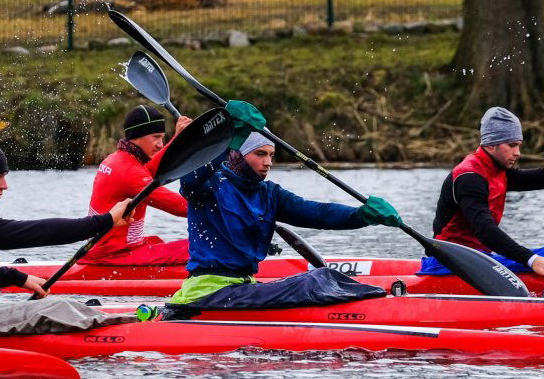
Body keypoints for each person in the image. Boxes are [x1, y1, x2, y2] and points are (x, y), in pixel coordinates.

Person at [163, 101, 403, 318]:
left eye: (271, 155)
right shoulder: (210, 186)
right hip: (207, 292)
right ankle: (380, 304)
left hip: (242, 288)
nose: (268, 162)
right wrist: (230, 137)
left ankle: (378, 299)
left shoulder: (270, 194)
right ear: (236, 152)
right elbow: (191, 178)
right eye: (260, 154)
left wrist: (362, 216)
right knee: (316, 279)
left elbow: (319, 213)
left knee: (325, 276)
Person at [0, 139, 139, 335]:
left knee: (58, 307)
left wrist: (18, 278)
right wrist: (105, 221)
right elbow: (35, 233)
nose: (4, 185)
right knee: (58, 308)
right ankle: (136, 327)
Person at [430, 107, 544, 282]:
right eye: (512, 145)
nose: (518, 153)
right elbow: (485, 230)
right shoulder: (469, 177)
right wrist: (531, 260)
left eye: (518, 145)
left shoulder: (497, 170)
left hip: (477, 259)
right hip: (448, 263)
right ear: (491, 145)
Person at [80, 105, 193, 265]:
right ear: (136, 136)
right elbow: (181, 207)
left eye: (162, 138)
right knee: (200, 246)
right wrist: (222, 209)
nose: (160, 144)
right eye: (156, 137)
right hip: (116, 255)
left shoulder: (117, 159)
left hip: (103, 250)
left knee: (168, 243)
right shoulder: (129, 172)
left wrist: (178, 140)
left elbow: (152, 167)